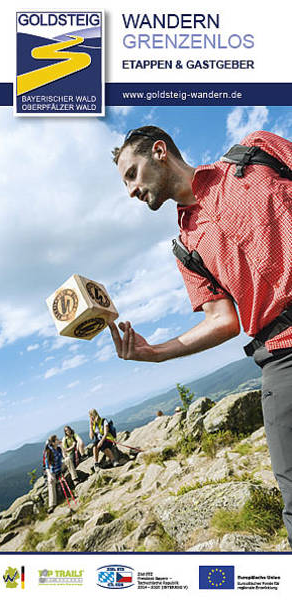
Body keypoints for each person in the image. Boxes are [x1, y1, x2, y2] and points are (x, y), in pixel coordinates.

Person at [109, 125, 292, 546]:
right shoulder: (186, 249)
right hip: (281, 359)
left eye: (132, 174)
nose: (132, 191)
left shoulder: (256, 153)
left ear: (159, 152)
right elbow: (222, 320)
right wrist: (155, 353)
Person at [44, 434, 79, 513]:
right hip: (53, 471)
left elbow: (64, 456)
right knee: (51, 482)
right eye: (56, 440)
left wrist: (62, 446)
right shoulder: (49, 452)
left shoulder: (59, 449)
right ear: (53, 443)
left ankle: (75, 480)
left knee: (68, 459)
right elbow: (47, 467)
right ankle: (52, 505)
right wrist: (49, 476)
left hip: (60, 466)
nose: (58, 440)